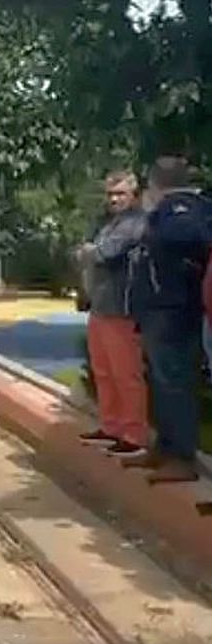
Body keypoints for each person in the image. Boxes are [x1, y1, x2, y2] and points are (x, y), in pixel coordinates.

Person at [126, 156, 211, 483]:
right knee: (160, 380)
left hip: (174, 309)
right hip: (159, 308)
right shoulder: (170, 212)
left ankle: (182, 457)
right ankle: (164, 446)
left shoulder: (182, 209)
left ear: (156, 184)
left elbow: (185, 238)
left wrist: (159, 215)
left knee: (175, 382)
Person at [75, 171, 149, 457]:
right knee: (104, 372)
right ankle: (111, 426)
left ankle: (134, 434)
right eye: (110, 194)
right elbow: (89, 251)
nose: (114, 199)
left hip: (122, 309)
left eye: (120, 193)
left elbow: (106, 252)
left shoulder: (136, 223)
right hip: (101, 306)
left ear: (134, 195)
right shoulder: (108, 223)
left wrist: (89, 251)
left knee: (125, 373)